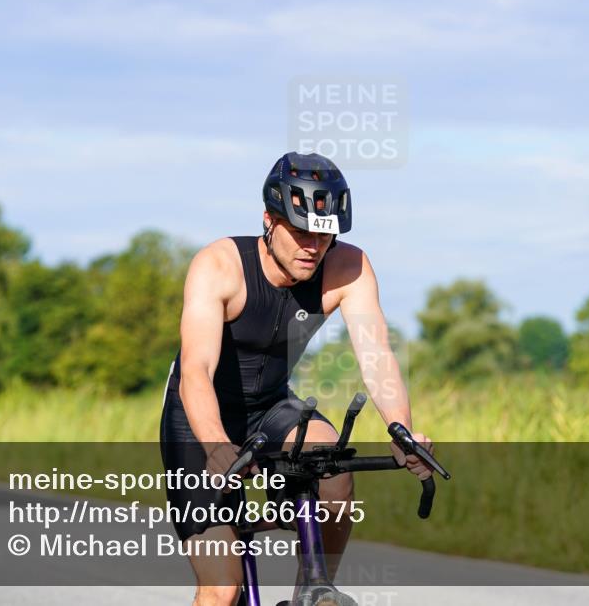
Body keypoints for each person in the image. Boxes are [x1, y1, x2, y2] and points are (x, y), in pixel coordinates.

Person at [160, 151, 433, 606]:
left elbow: (376, 356)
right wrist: (217, 445)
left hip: (271, 407)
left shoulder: (349, 267)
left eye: (324, 235)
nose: (313, 247)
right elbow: (196, 370)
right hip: (199, 418)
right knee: (222, 590)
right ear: (269, 220)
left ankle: (314, 590)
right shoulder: (219, 265)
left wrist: (401, 429)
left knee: (332, 471)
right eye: (301, 232)